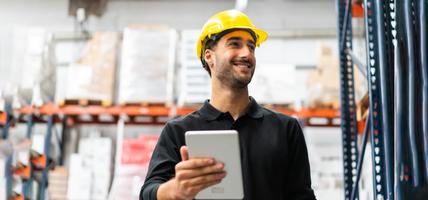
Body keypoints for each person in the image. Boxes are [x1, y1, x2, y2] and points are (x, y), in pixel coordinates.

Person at [140, 9, 316, 200]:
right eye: (234, 44)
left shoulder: (285, 129)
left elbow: (302, 196)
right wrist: (174, 190)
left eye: (251, 47)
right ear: (209, 56)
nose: (246, 53)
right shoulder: (178, 131)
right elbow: (147, 193)